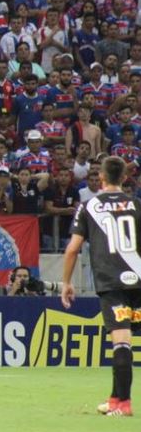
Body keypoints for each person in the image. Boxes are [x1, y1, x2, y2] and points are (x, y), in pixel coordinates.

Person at [62, 156, 140, 417]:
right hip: (138, 281)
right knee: (125, 342)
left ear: (102, 178)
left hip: (112, 282)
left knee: (121, 342)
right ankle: (115, 398)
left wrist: (66, 283)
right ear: (125, 178)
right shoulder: (137, 205)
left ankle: (124, 404)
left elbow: (73, 249)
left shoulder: (89, 206)